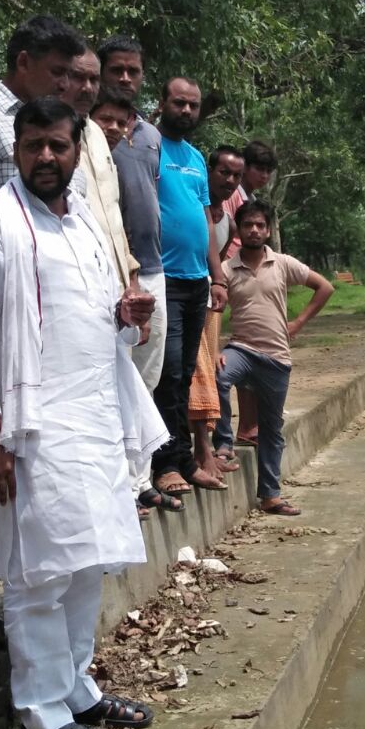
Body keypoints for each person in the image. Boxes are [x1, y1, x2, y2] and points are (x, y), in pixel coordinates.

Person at [0, 97, 164, 729]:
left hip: (95, 419)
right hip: (32, 429)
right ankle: (42, 710)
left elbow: (99, 322)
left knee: (87, 565)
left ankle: (74, 686)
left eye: (58, 147)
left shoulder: (87, 228)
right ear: (16, 150)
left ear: (77, 151)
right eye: (33, 145)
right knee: (38, 574)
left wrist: (127, 314)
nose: (46, 157)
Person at [214, 199, 334, 516]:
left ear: (268, 230)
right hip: (240, 349)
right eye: (248, 224)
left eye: (260, 225)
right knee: (217, 378)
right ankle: (223, 446)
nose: (254, 230)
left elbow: (324, 287)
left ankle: (270, 496)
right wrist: (213, 349)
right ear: (238, 230)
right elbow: (211, 309)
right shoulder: (226, 269)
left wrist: (299, 322)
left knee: (272, 430)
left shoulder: (281, 263)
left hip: (276, 357)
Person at [148, 77, 229, 510]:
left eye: (193, 105)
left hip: (197, 281)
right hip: (162, 279)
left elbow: (204, 222)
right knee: (168, 372)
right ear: (162, 104)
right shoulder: (147, 146)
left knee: (185, 374)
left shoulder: (196, 157)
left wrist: (217, 277)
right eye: (178, 103)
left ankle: (185, 459)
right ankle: (164, 464)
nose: (186, 111)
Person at [97, 36, 168, 512]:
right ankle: (117, 484)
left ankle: (141, 480)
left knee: (149, 377)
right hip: (114, 273)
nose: (125, 78)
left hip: (155, 267)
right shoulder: (87, 132)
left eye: (133, 71)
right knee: (117, 378)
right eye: (116, 69)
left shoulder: (150, 135)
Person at [0, 15, 85, 225]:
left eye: (68, 74)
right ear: (23, 62)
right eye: (57, 72)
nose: (65, 84)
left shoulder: (63, 121)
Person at [188, 146, 244, 483]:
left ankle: (205, 447)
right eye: (224, 172)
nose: (230, 180)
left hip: (212, 305)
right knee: (195, 375)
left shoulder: (229, 221)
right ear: (209, 171)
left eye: (236, 175)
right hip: (188, 296)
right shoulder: (196, 209)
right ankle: (201, 450)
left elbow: (218, 261)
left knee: (209, 370)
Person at [62, 47, 136, 291]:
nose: (87, 87)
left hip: (119, 283)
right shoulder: (49, 140)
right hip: (81, 284)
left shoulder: (97, 135)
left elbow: (112, 212)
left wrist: (132, 278)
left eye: (94, 79)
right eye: (78, 77)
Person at [221, 140, 279, 439]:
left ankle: (249, 424)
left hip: (244, 271)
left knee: (253, 345)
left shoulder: (248, 197)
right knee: (243, 347)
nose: (264, 175)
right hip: (232, 272)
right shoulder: (232, 196)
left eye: (268, 171)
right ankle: (239, 427)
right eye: (259, 168)